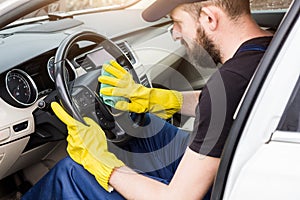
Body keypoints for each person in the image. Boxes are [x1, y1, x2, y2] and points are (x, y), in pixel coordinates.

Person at [22, 0, 273, 199]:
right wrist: (155, 98)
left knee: (72, 173)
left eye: (177, 22)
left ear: (209, 18)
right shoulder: (270, 48)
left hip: (216, 188)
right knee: (142, 125)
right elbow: (224, 105)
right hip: (232, 167)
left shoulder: (230, 82)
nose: (174, 33)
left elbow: (177, 199)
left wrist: (104, 165)